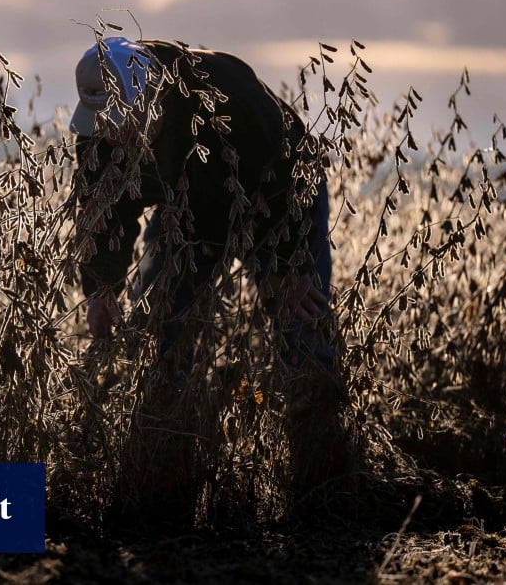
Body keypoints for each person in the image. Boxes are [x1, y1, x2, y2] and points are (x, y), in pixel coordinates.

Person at [70, 37, 347, 515]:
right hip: (188, 215)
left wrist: (294, 268)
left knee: (303, 330)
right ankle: (157, 486)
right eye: (105, 125)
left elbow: (293, 178)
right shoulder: (100, 134)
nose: (114, 135)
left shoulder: (224, 92)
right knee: (160, 336)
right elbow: (103, 215)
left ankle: (326, 489)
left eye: (122, 121)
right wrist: (101, 289)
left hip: (277, 205)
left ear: (153, 94)